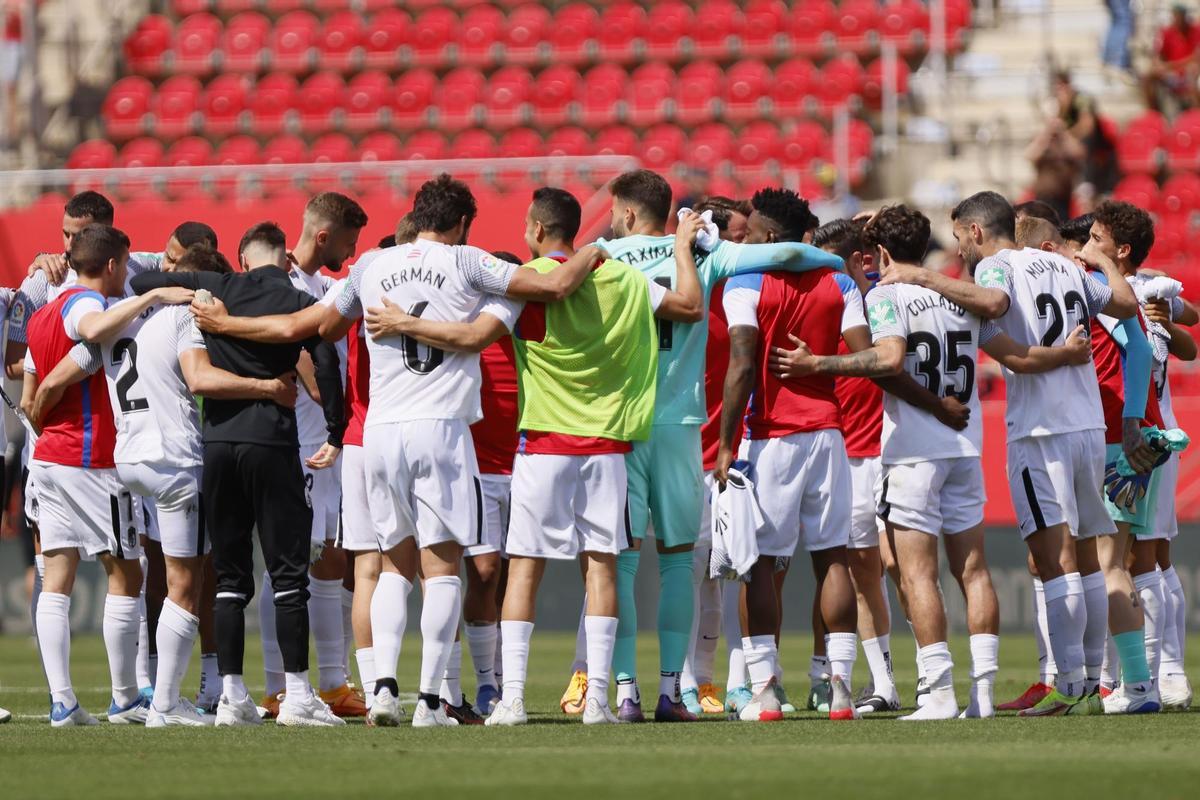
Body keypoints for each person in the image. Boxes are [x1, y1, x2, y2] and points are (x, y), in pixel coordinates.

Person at [315, 174, 615, 727]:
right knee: (444, 567)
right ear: (460, 224)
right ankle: (431, 701)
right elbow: (549, 287)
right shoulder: (469, 261)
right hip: (440, 429)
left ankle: (383, 689)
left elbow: (323, 325)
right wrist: (595, 246)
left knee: (392, 568)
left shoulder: (370, 266)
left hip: (379, 431)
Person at [387, 202, 703, 727]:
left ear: (535, 228)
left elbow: (474, 335)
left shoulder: (520, 280)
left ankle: (511, 699)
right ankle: (598, 700)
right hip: (607, 448)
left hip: (544, 447)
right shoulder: (625, 279)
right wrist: (683, 246)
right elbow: (690, 307)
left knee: (525, 571)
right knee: (602, 568)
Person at [785, 206, 1093, 720]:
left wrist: (818, 364)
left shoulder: (885, 296)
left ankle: (938, 691)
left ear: (881, 254)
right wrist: (1064, 354)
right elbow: (1013, 351)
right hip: (966, 447)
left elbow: (885, 360)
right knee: (973, 570)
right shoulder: (960, 299)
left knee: (918, 574)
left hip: (914, 452)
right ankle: (985, 693)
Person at [574, 170, 842, 724]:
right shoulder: (705, 257)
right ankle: (676, 690)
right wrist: (837, 262)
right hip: (682, 429)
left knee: (621, 565)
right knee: (678, 565)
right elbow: (795, 256)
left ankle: (624, 690)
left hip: (620, 427)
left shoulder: (603, 255)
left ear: (625, 213)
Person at [885, 190, 1138, 716]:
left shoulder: (996, 268)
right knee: (1088, 554)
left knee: (1052, 562)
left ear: (977, 232)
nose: (960, 251)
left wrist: (925, 277)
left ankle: (1067, 683)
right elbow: (1125, 303)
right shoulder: (1062, 265)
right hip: (1088, 425)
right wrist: (1100, 259)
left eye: (959, 238)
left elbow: (1003, 327)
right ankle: (1092, 677)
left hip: (1039, 431)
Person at [30, 243, 297, 726]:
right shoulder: (181, 317)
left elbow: (71, 368)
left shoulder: (120, 318)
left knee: (140, 575)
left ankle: (137, 694)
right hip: (173, 459)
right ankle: (166, 704)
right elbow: (198, 378)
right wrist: (267, 387)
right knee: (184, 583)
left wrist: (43, 396)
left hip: (127, 458)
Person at [131, 221, 348, 728]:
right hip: (271, 441)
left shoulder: (216, 288)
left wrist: (170, 286)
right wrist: (335, 428)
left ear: (244, 260)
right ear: (283, 261)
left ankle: (231, 696)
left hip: (218, 446)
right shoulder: (295, 298)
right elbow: (325, 365)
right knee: (289, 573)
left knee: (229, 578)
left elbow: (140, 285)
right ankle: (296, 694)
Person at [20, 224, 191, 727]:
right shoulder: (79, 306)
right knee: (127, 574)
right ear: (112, 265)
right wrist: (155, 294)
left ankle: (64, 701)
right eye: (124, 269)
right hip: (89, 458)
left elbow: (33, 391)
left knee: (57, 576)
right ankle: (122, 698)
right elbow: (93, 328)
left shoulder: (42, 314)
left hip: (48, 458)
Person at [252, 192, 367, 720]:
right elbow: (295, 348)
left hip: (328, 446)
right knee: (290, 567)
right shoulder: (279, 282)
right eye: (349, 240)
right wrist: (320, 386)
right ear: (324, 236)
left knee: (332, 562)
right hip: (296, 446)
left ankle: (332, 683)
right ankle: (279, 685)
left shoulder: (329, 286)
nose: (353, 248)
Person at [1078, 202, 1174, 714]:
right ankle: (1131, 683)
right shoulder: (1116, 291)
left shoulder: (1115, 296)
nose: (1086, 244)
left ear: (1120, 251)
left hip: (1123, 440)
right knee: (1118, 564)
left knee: (1111, 564)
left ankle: (1139, 687)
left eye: (1095, 237)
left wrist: (1133, 421)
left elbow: (1138, 352)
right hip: (1128, 436)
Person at [1143, 4, 1200, 110]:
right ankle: (1153, 113)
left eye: (1180, 15)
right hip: (1172, 74)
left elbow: (1196, 58)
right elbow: (1158, 55)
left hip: (1188, 72)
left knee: (1193, 71)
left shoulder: (1196, 30)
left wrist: (1169, 66)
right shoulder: (1167, 32)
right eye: (1175, 15)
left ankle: (1195, 115)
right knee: (1149, 76)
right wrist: (1160, 66)